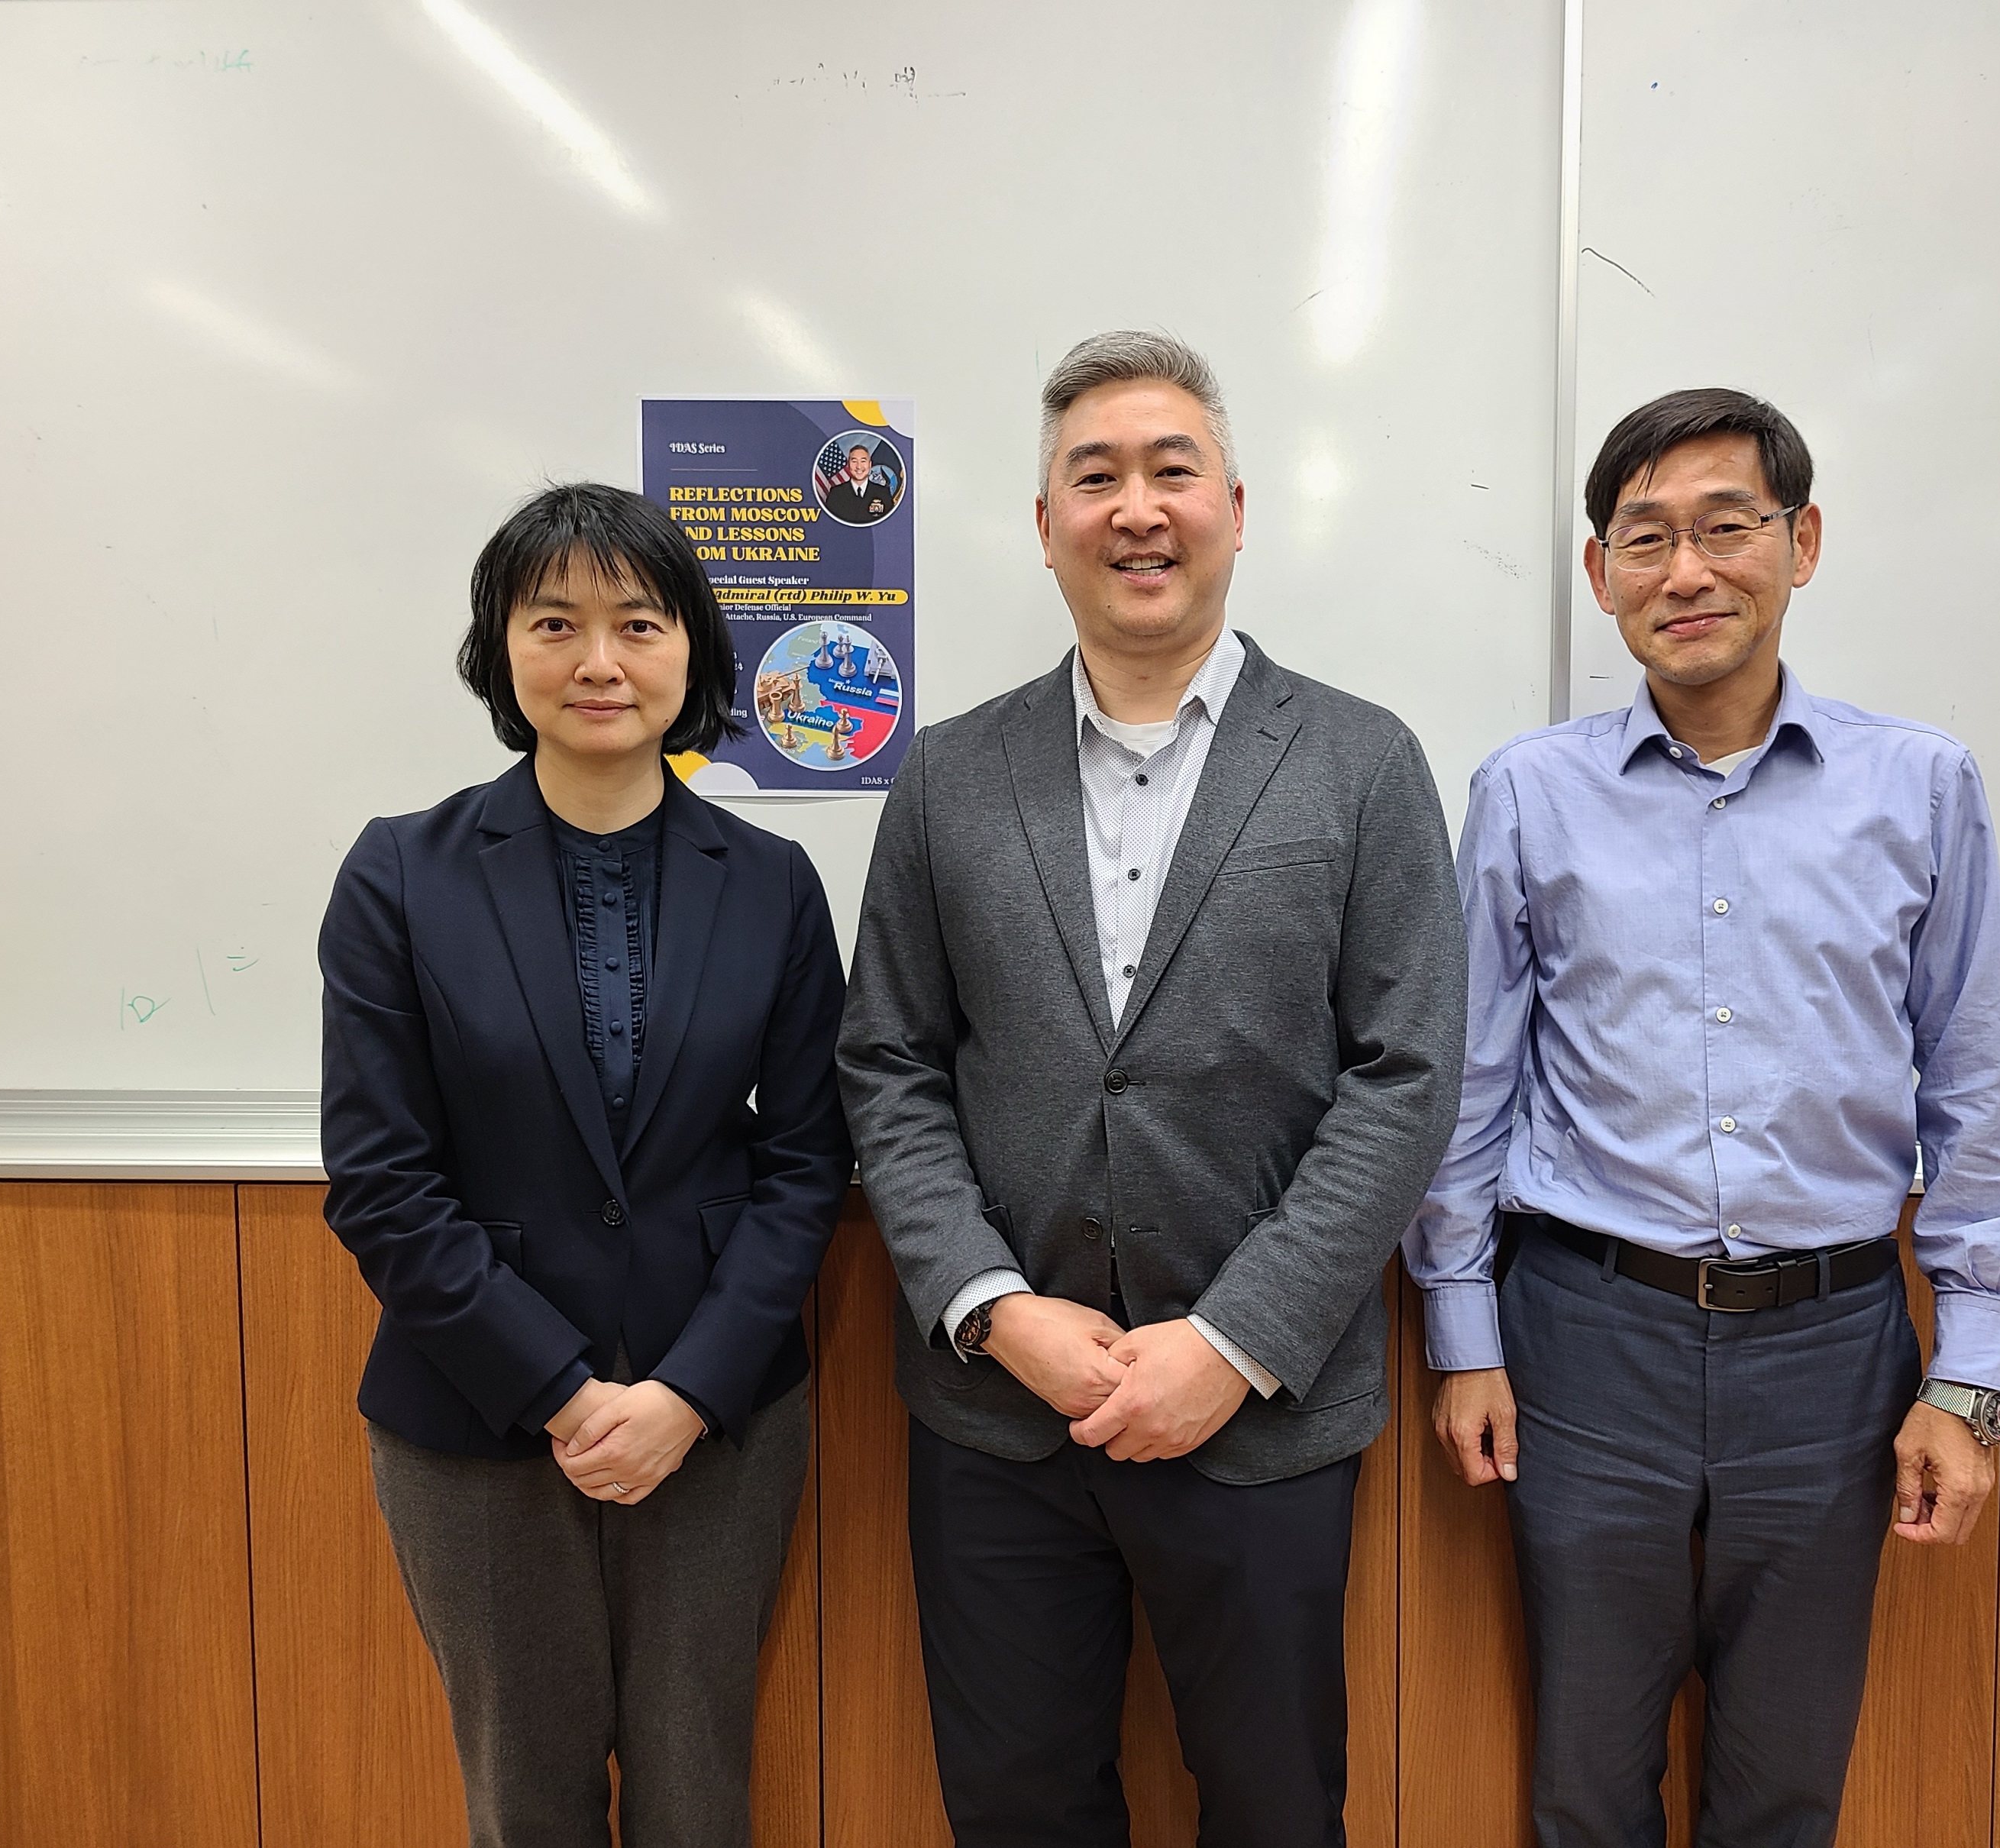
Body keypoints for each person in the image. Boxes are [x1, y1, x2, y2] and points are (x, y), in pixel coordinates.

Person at [837, 330, 1466, 1847]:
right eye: (1093, 475)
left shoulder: (1360, 763)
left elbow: (1405, 1077)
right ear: (1040, 524)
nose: (1136, 506)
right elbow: (889, 1063)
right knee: (1018, 1808)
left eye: (1171, 470)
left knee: (1269, 1809)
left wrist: (1232, 1342)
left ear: (1235, 509)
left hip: (1256, 1416)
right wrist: (993, 1307)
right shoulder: (945, 775)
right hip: (999, 1416)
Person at [1405, 388, 2000, 1848]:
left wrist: (1971, 1379)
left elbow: (1981, 1096)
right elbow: (1468, 1092)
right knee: (1582, 1779)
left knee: (1784, 1787)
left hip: (1832, 1351)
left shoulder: (1920, 788)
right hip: (1584, 1339)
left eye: (1724, 528)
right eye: (1644, 539)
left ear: (1799, 543)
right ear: (1598, 575)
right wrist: (1464, 1334)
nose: (1684, 573)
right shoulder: (1526, 796)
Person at [319, 481, 853, 1848]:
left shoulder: (775, 882)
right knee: (525, 1804)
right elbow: (383, 1182)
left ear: (695, 653)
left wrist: (684, 1392)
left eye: (639, 621)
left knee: (699, 1795)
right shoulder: (399, 877)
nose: (599, 660)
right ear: (501, 651)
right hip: (477, 1429)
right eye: (553, 621)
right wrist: (559, 1392)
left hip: (718, 1428)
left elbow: (807, 1167)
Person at [822, 443, 893, 523]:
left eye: (863, 461)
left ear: (870, 465)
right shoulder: (836, 494)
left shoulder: (883, 493)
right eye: (854, 461)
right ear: (848, 465)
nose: (859, 466)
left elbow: (889, 525)